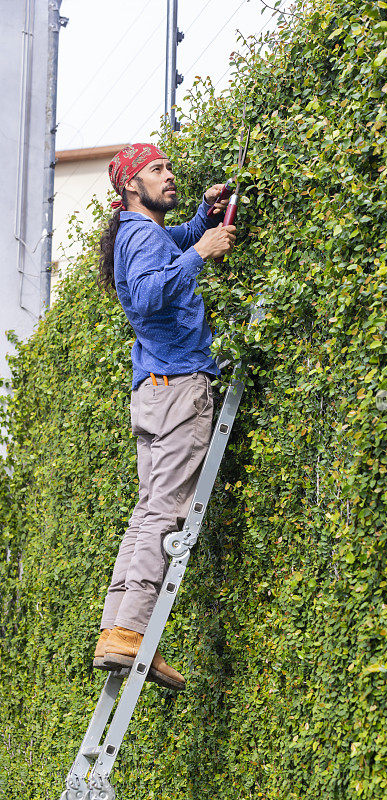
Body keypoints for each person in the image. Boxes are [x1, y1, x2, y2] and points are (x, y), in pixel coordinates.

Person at [93, 143, 236, 691]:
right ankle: (132, 632)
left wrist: (202, 218)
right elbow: (154, 293)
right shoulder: (141, 235)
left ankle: (119, 633)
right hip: (178, 386)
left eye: (169, 167)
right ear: (131, 186)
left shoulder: (139, 233)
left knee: (145, 512)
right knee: (164, 513)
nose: (168, 175)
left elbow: (170, 245)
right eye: (157, 170)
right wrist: (202, 250)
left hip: (153, 386)